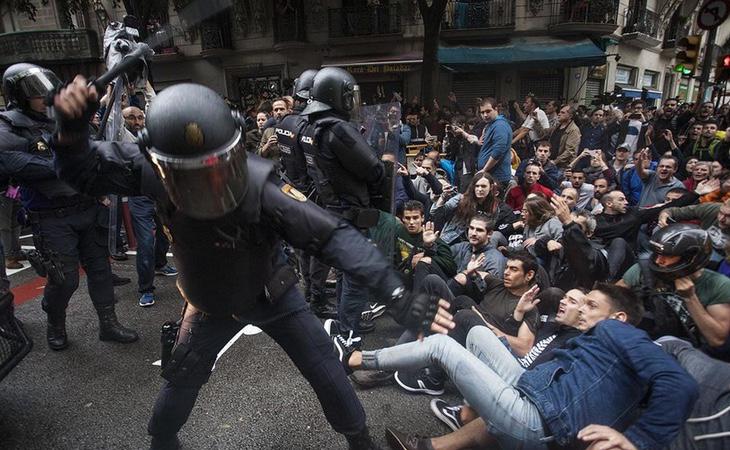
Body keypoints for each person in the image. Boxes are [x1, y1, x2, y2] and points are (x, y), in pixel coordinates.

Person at [51, 76, 454, 450]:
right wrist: (71, 132)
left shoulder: (261, 189)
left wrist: (396, 292)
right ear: (159, 165)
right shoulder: (146, 168)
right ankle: (162, 442)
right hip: (211, 300)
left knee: (327, 371)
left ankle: (359, 440)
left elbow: (333, 237)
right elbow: (83, 172)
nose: (208, 186)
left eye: (216, 168)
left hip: (272, 292)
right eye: (189, 176)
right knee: (182, 375)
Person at [336, 283, 698, 450]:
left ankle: (351, 360)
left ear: (618, 317)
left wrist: (637, 442)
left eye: (589, 304)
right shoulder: (596, 341)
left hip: (537, 420)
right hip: (532, 392)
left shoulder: (621, 334)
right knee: (474, 333)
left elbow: (680, 385)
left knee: (443, 346)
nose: (582, 309)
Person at [0, 63, 138, 350]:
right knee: (64, 280)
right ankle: (56, 323)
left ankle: (109, 324)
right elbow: (18, 164)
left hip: (87, 205)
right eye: (34, 92)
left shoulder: (64, 117)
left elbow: (94, 149)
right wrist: (71, 161)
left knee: (101, 270)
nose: (43, 96)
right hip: (51, 214)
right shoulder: (8, 125)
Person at [618, 224, 730, 356]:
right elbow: (612, 298)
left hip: (687, 352)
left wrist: (690, 298)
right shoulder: (643, 270)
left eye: (667, 255)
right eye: (657, 254)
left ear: (690, 257)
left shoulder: (719, 285)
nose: (659, 260)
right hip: (640, 337)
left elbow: (716, 340)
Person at [121, 105, 177, 307]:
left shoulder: (160, 137)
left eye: (140, 117)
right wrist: (113, 97)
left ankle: (160, 264)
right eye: (131, 118)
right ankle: (146, 288)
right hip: (141, 198)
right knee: (145, 243)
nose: (137, 121)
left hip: (162, 197)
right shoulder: (125, 138)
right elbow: (114, 123)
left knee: (165, 235)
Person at [549, 104, 581, 169]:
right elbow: (544, 133)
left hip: (563, 166)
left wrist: (555, 161)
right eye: (560, 112)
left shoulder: (573, 130)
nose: (559, 114)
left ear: (570, 116)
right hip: (552, 162)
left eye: (563, 112)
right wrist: (536, 122)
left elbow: (570, 151)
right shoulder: (557, 126)